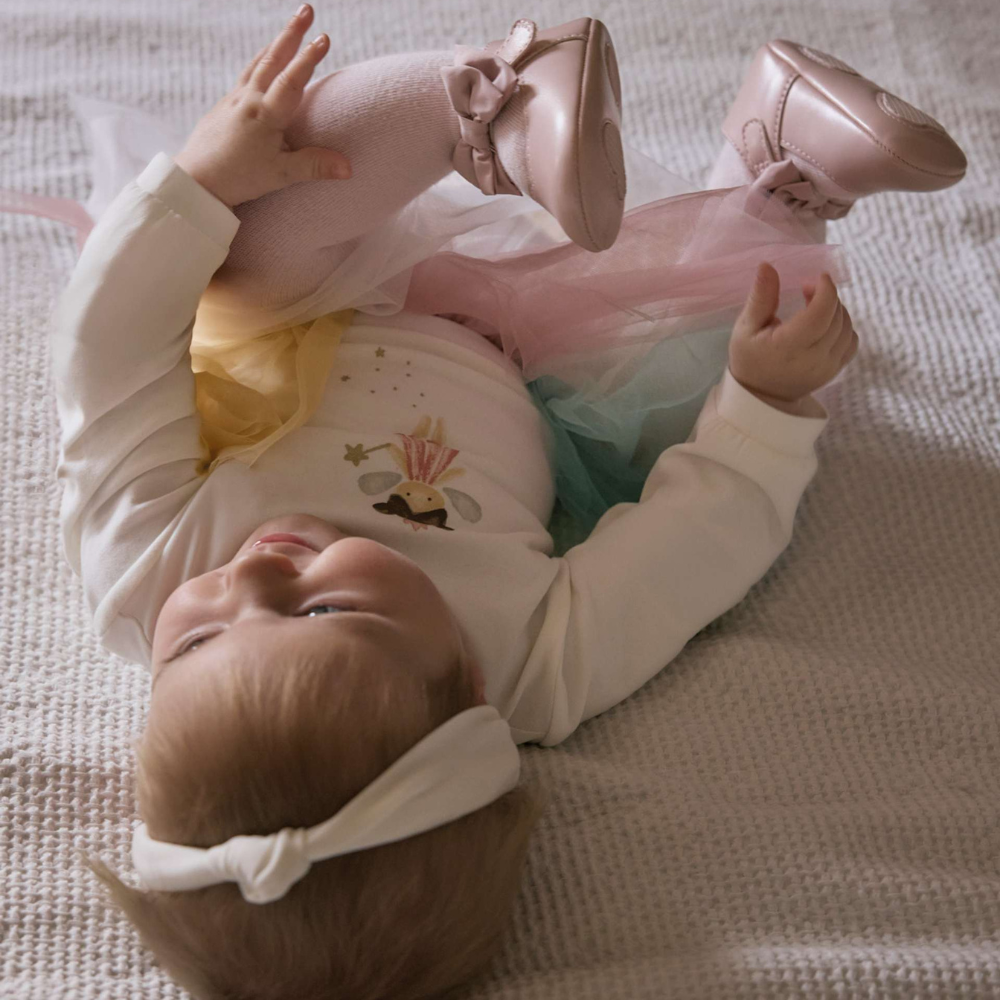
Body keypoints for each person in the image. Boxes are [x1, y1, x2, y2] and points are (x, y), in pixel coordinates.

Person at [33, 7, 965, 998]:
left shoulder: (142, 570)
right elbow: (697, 542)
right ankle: (779, 166)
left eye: (194, 642)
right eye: (322, 609)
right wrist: (766, 406)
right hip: (535, 365)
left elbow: (110, 360)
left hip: (309, 301)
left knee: (256, 230)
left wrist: (196, 188)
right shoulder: (531, 665)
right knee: (692, 369)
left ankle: (482, 104)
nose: (255, 577)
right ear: (469, 686)